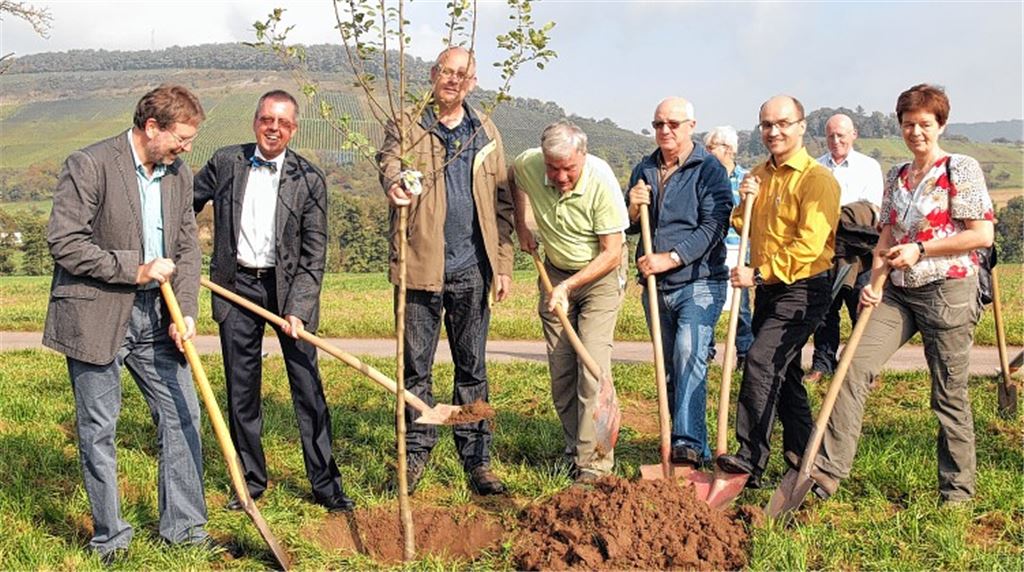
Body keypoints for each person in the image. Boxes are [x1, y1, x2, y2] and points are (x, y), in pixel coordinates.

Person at [44, 85, 212, 564]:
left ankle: (184, 530)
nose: (186, 147)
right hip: (97, 311)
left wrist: (187, 311)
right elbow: (65, 242)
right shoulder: (90, 164)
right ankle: (111, 538)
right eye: (181, 137)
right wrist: (134, 268)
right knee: (99, 428)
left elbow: (186, 249)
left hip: (159, 316)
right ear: (151, 127)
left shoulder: (179, 173)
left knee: (183, 414)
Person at [810, 84, 994, 505]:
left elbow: (980, 234)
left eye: (925, 124)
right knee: (850, 369)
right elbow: (885, 237)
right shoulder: (897, 175)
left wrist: (923, 248)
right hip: (898, 292)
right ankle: (825, 474)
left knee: (948, 394)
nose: (916, 132)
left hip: (948, 290)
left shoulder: (959, 168)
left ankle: (957, 494)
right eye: (909, 124)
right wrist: (873, 285)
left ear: (940, 125)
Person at [193, 90, 354, 512]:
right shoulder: (225, 162)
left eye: (283, 123)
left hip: (288, 294)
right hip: (236, 287)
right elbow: (182, 207)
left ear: (294, 129)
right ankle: (250, 481)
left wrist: (298, 308)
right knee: (241, 389)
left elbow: (313, 254)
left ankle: (325, 484)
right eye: (267, 119)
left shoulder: (309, 178)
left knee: (307, 387)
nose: (274, 128)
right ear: (255, 122)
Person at [377, 46, 513, 496]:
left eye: (463, 75)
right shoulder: (407, 125)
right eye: (446, 72)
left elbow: (503, 204)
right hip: (420, 266)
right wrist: (395, 183)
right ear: (433, 75)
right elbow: (390, 166)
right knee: (416, 369)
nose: (453, 80)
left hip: (472, 269)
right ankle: (415, 453)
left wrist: (503, 264)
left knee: (471, 369)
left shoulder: (486, 131)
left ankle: (477, 459)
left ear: (472, 84)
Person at [707, 95, 841, 505]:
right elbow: (742, 225)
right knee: (784, 377)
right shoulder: (760, 174)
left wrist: (759, 273)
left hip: (803, 287)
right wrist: (743, 200)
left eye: (783, 123)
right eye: (767, 125)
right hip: (767, 286)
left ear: (802, 126)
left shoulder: (817, 180)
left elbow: (809, 245)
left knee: (762, 361)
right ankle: (805, 459)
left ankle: (749, 458)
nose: (774, 132)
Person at [511, 120, 630, 483]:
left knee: (592, 369)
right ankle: (574, 451)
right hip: (556, 272)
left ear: (583, 155)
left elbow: (611, 253)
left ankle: (594, 465)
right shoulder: (528, 163)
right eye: (553, 168)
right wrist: (522, 223)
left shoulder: (601, 180)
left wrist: (568, 287)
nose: (561, 177)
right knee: (562, 372)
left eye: (569, 169)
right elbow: (514, 178)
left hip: (600, 277)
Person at [625, 98, 733, 466]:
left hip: (699, 281)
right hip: (656, 287)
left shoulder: (709, 169)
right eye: (658, 124)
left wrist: (670, 258)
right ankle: (684, 441)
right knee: (669, 365)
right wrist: (631, 205)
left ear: (691, 126)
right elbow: (627, 226)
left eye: (673, 123)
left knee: (689, 355)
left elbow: (714, 227)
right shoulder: (644, 167)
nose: (665, 131)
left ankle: (688, 445)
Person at [804, 113, 885, 384]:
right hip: (824, 250)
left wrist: (838, 217)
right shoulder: (815, 167)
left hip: (859, 250)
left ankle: (863, 368)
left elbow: (870, 210)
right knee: (825, 309)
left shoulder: (868, 166)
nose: (836, 140)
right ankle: (822, 363)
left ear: (854, 135)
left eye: (841, 135)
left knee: (860, 307)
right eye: (831, 136)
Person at [704, 125, 753, 368]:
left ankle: (744, 352)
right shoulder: (703, 178)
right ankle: (707, 350)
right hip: (710, 248)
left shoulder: (746, 178)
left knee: (740, 304)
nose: (708, 151)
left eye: (711, 147)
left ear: (729, 149)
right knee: (707, 299)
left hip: (736, 247)